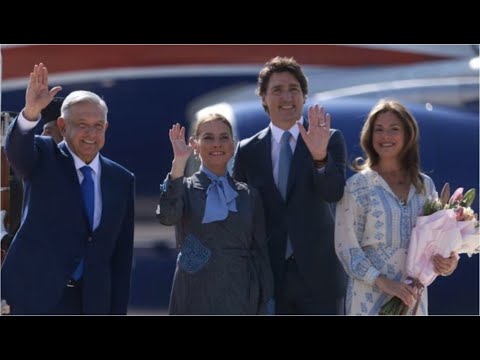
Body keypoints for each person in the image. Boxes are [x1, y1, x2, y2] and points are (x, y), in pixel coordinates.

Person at [1, 63, 135, 315]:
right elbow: (16, 150)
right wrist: (31, 112)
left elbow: (121, 258)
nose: (90, 134)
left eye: (97, 126)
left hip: (91, 303)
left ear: (105, 128)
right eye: (82, 124)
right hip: (35, 298)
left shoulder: (121, 179)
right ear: (62, 126)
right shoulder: (43, 155)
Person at [233, 56, 347, 314]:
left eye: (294, 89)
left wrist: (319, 159)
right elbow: (240, 215)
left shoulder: (329, 139)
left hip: (320, 279)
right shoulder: (247, 151)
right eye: (277, 90)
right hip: (270, 279)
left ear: (304, 96)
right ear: (263, 98)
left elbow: (334, 192)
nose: (287, 97)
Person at [334, 99, 459, 315]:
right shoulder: (358, 186)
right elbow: (347, 249)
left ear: (407, 135)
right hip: (368, 298)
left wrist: (448, 262)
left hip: (413, 299)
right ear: (369, 136)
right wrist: (383, 282)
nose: (385, 136)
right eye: (379, 130)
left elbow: (438, 241)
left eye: (394, 129)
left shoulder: (424, 185)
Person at [156, 114, 274, 315]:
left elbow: (261, 253)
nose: (217, 144)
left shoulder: (249, 195)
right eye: (208, 138)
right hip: (195, 292)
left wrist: (267, 302)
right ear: (195, 145)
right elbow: (167, 217)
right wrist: (179, 163)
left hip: (240, 291)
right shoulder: (183, 187)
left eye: (224, 137)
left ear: (233, 144)